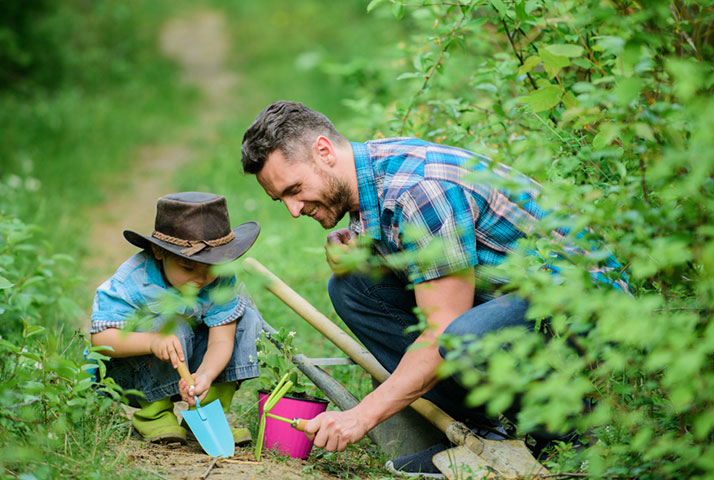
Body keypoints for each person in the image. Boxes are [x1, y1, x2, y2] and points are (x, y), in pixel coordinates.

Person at [241, 101, 630, 475]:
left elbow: (442, 330)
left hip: (587, 310)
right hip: (518, 300)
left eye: (295, 189)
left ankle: (570, 439)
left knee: (461, 336)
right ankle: (483, 431)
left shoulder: (421, 189)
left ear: (323, 151)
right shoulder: (370, 175)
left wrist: (361, 415)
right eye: (281, 201)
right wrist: (361, 248)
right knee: (355, 287)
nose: (293, 210)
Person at [90, 192, 262, 444]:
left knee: (246, 320)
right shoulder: (133, 281)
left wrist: (206, 374)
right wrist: (151, 341)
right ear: (159, 252)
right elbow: (101, 340)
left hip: (192, 358)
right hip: (136, 370)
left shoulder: (220, 279)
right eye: (188, 268)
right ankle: (154, 414)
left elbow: (222, 340)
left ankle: (205, 413)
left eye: (212, 268)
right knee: (170, 323)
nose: (202, 279)